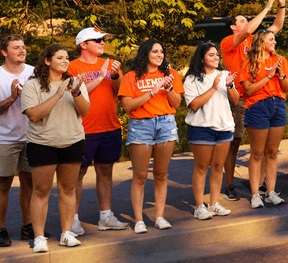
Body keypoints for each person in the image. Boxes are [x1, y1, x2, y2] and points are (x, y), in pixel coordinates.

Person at [20, 45, 89, 252]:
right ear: (47, 61)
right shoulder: (32, 85)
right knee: (41, 191)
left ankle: (66, 233)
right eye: (60, 57)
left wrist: (76, 91)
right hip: (42, 143)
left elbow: (85, 111)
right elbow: (33, 115)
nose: (65, 61)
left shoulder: (75, 83)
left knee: (68, 190)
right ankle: (39, 237)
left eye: (67, 57)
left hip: (73, 141)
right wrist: (59, 93)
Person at [217, 0, 285, 200]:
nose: (245, 22)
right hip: (238, 97)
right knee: (235, 142)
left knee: (263, 147)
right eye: (241, 20)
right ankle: (229, 184)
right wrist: (266, 7)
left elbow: (277, 27)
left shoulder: (255, 41)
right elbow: (248, 29)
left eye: (246, 19)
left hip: (260, 98)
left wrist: (281, 6)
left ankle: (264, 184)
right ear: (232, 26)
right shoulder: (229, 42)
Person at [66, 27, 127, 235]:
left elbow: (122, 91)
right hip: (82, 129)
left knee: (105, 172)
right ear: (83, 45)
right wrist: (100, 78)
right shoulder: (72, 67)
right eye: (97, 40)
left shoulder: (108, 64)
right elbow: (74, 95)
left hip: (109, 126)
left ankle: (105, 216)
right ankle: (72, 219)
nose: (102, 42)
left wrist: (116, 74)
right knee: (77, 174)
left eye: (103, 39)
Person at [119, 38, 181, 231]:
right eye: (155, 51)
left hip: (166, 123)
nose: (159, 55)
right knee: (140, 175)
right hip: (141, 125)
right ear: (145, 54)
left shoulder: (171, 74)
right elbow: (127, 106)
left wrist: (168, 88)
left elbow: (177, 104)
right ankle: (138, 220)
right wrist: (152, 92)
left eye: (161, 52)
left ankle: (160, 217)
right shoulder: (131, 77)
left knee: (161, 174)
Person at [182, 42, 238, 219]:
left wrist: (229, 86)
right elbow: (193, 104)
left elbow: (235, 101)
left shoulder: (224, 75)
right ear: (202, 58)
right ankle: (199, 206)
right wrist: (213, 88)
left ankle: (214, 203)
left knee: (217, 167)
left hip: (224, 127)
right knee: (201, 168)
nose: (216, 58)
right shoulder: (191, 79)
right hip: (201, 129)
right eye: (211, 55)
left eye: (217, 55)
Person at [239, 29, 288, 211]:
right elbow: (249, 90)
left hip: (278, 105)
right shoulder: (249, 63)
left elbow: (286, 87)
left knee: (272, 152)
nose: (274, 42)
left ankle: (271, 192)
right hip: (258, 107)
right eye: (271, 39)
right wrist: (269, 76)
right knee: (257, 153)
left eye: (274, 39)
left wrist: (281, 75)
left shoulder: (280, 60)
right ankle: (255, 194)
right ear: (261, 42)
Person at [0, 34, 35, 248]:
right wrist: (11, 99)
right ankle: (1, 228)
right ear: (4, 52)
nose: (22, 50)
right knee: (3, 185)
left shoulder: (34, 72)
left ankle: (27, 226)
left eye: (23, 47)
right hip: (5, 139)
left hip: (31, 138)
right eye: (16, 47)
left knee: (29, 184)